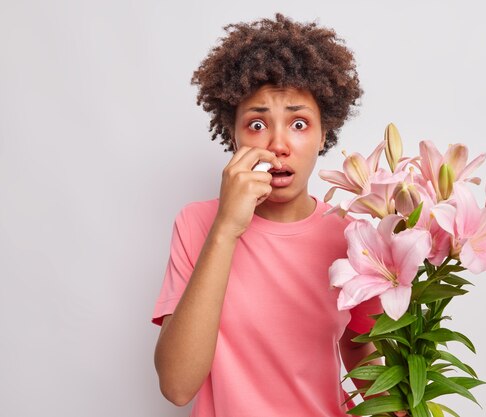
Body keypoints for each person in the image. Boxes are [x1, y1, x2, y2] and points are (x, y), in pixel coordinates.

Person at [151, 13, 393, 417]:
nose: (278, 144)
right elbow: (177, 387)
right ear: (233, 133)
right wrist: (226, 230)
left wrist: (398, 406)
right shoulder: (197, 224)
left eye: (299, 123)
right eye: (257, 123)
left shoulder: (351, 235)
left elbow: (357, 341)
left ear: (323, 135)